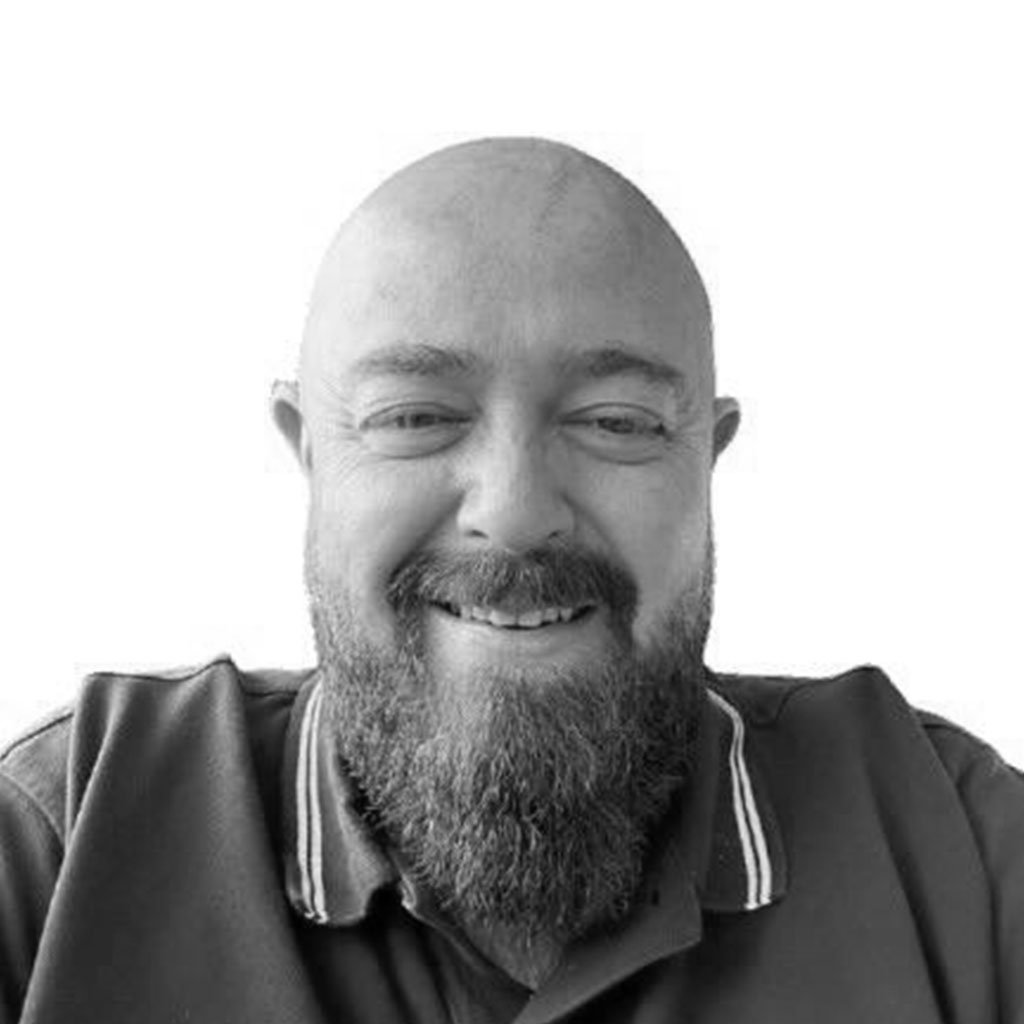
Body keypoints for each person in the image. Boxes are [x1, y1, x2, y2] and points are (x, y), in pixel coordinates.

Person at [0, 138, 1020, 1024]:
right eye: (415, 416)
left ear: (705, 460)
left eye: (615, 421)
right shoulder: (61, 844)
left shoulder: (959, 853)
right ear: (309, 450)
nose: (517, 508)